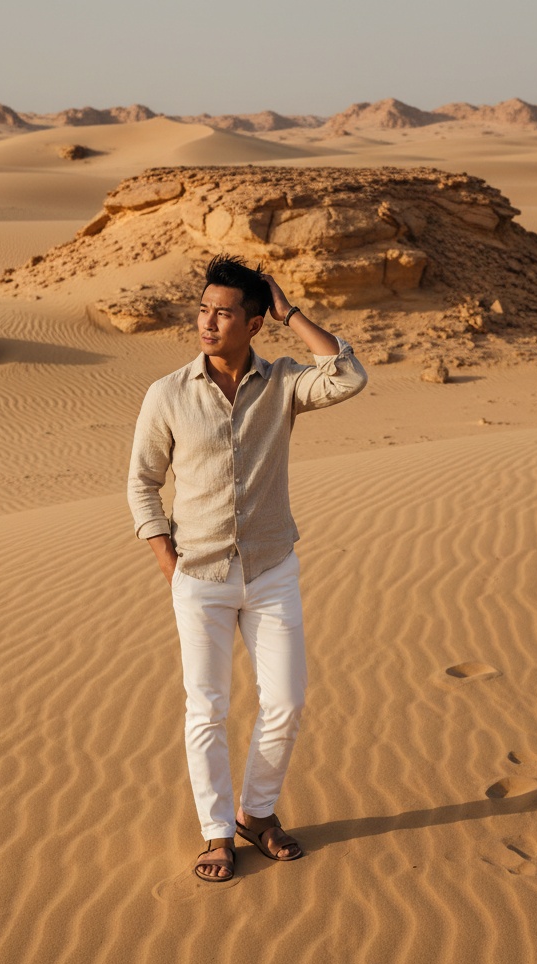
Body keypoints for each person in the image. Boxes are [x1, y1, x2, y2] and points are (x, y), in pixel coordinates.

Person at [127, 254, 368, 882]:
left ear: (254, 323)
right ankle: (215, 833)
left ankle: (255, 815)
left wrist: (292, 312)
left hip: (270, 570)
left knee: (286, 700)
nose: (208, 323)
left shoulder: (285, 382)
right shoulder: (169, 395)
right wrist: (167, 559)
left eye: (224, 312)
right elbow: (142, 485)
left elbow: (347, 376)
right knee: (206, 708)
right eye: (204, 310)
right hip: (198, 577)